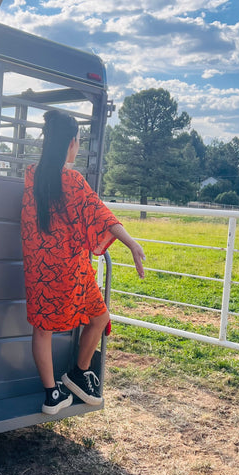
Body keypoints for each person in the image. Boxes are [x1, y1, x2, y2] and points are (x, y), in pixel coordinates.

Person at [21, 110, 145, 415]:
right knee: (100, 318)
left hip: (39, 270)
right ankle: (79, 371)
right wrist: (130, 242)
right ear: (72, 143)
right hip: (71, 271)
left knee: (42, 330)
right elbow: (99, 214)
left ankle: (53, 394)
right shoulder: (72, 180)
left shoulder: (32, 175)